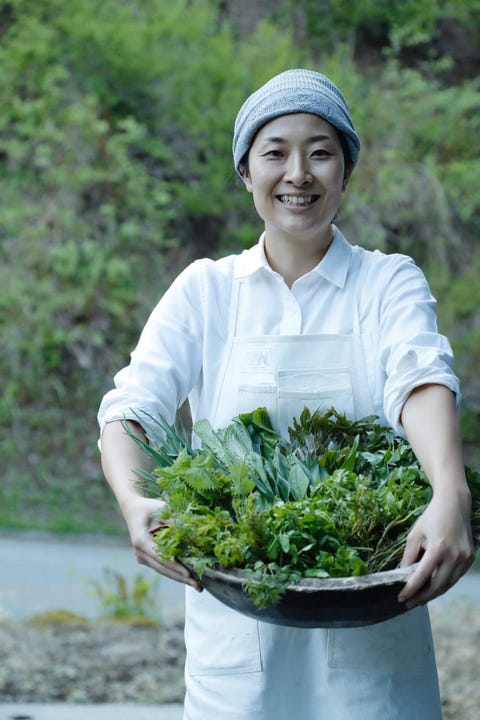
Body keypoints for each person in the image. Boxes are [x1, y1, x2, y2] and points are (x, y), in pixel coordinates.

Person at [98, 69, 474, 719]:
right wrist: (135, 502)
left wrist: (449, 492)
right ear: (246, 172)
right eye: (275, 152)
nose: (297, 172)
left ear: (346, 172)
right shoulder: (206, 292)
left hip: (373, 648)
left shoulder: (386, 283)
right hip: (238, 660)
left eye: (321, 152)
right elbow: (132, 409)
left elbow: (420, 377)